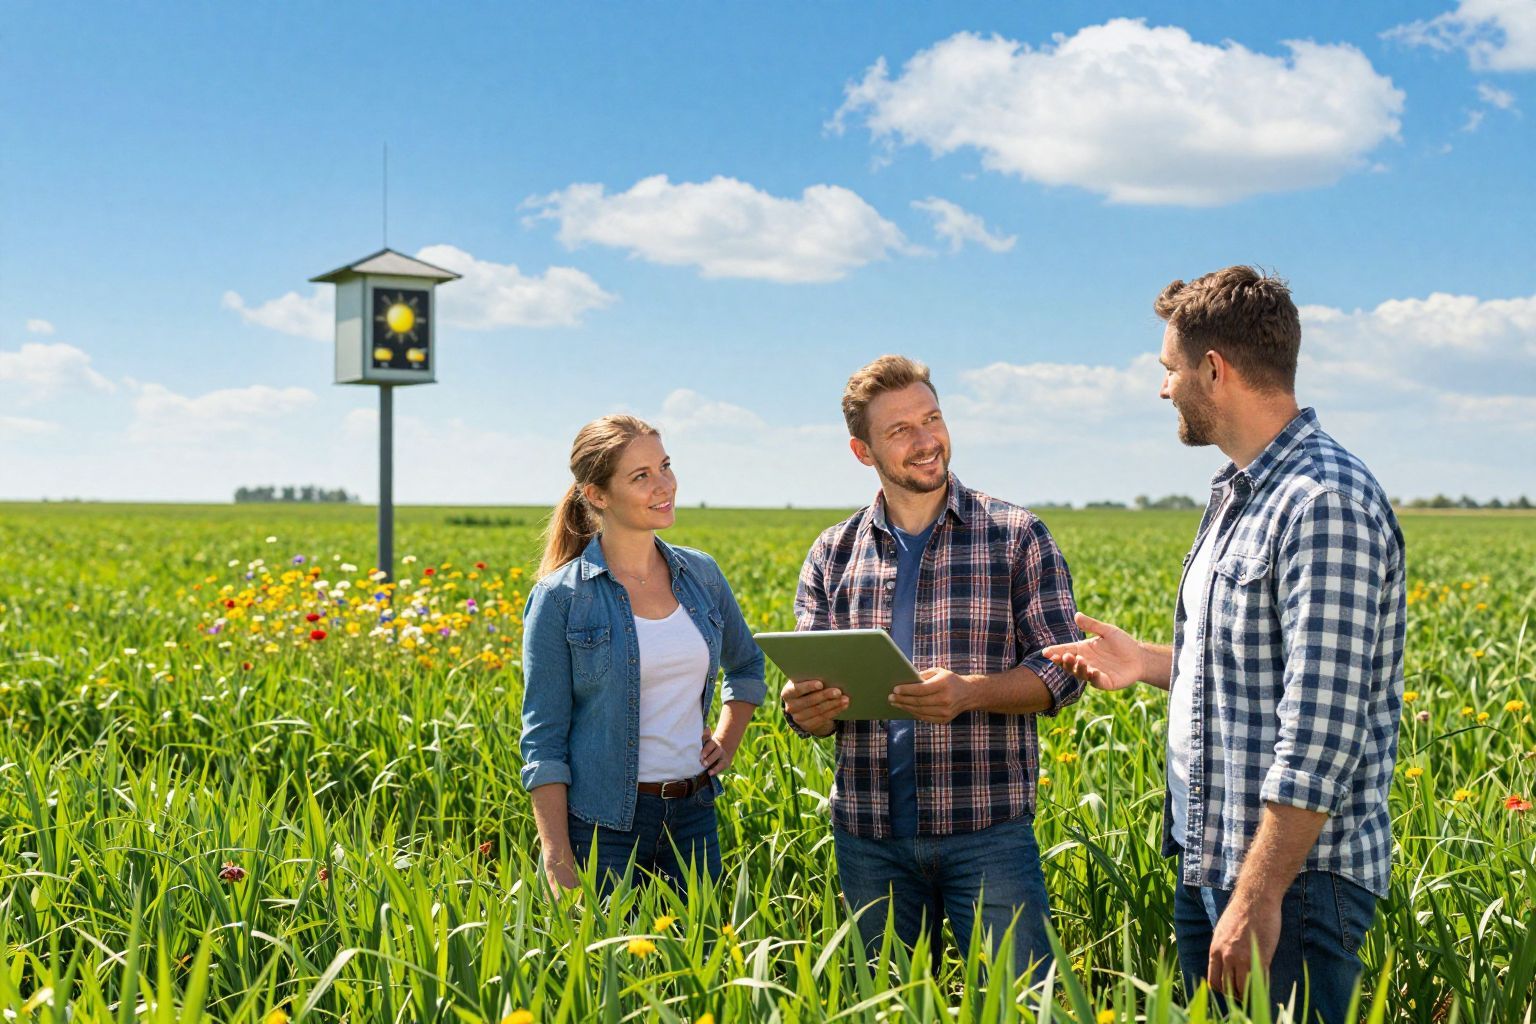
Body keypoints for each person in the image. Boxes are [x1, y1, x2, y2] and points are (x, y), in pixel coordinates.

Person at [1043, 267, 1405, 1024]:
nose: (1164, 388)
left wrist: (1257, 895)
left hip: (1293, 885)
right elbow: (1255, 670)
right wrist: (1148, 662)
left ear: (1215, 370)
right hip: (1213, 855)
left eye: (1170, 369)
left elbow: (1322, 728)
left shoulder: (1322, 502)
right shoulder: (1242, 492)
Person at [780, 355, 1085, 980]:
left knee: (1019, 1006)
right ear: (862, 452)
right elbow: (812, 692)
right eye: (900, 430)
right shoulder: (833, 552)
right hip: (868, 838)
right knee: (885, 1009)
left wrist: (972, 693)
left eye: (933, 418)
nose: (926, 441)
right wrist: (805, 709)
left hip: (988, 832)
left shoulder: (1016, 535)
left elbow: (1063, 670)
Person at [520, 414, 765, 896]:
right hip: (603, 827)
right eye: (640, 476)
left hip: (694, 817)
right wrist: (556, 858)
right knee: (610, 948)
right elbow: (543, 741)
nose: (664, 485)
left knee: (699, 944)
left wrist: (727, 739)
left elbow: (747, 664)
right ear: (597, 495)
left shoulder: (702, 575)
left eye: (665, 466)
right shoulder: (560, 599)